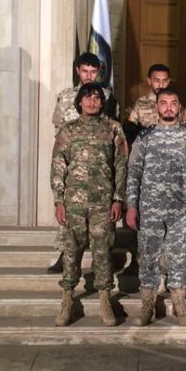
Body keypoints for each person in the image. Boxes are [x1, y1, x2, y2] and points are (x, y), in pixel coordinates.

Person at [126, 87, 186, 327]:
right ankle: (147, 306)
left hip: (182, 210)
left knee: (179, 258)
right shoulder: (145, 137)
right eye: (164, 103)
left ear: (179, 107)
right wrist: (132, 206)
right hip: (150, 209)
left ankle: (179, 306)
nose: (169, 107)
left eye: (173, 103)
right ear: (157, 107)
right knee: (148, 257)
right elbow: (133, 173)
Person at [51, 83, 128, 327]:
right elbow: (58, 165)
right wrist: (59, 200)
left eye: (96, 97)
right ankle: (68, 298)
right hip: (74, 202)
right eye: (87, 97)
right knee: (71, 250)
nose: (92, 102)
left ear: (102, 102)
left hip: (102, 202)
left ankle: (105, 298)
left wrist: (118, 198)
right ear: (79, 101)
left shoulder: (113, 128)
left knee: (103, 250)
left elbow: (121, 165)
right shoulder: (68, 130)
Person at [48, 52, 120, 274]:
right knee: (71, 215)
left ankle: (102, 263)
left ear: (99, 72)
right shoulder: (65, 96)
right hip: (73, 157)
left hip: (99, 163)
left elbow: (111, 126)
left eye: (93, 71)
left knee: (101, 224)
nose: (89, 75)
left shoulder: (106, 96)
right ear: (77, 70)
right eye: (85, 71)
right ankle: (66, 255)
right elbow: (58, 127)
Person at [124, 63, 171, 146]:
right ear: (149, 81)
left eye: (164, 81)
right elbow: (130, 132)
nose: (161, 85)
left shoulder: (175, 104)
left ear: (168, 81)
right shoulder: (140, 103)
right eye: (157, 81)